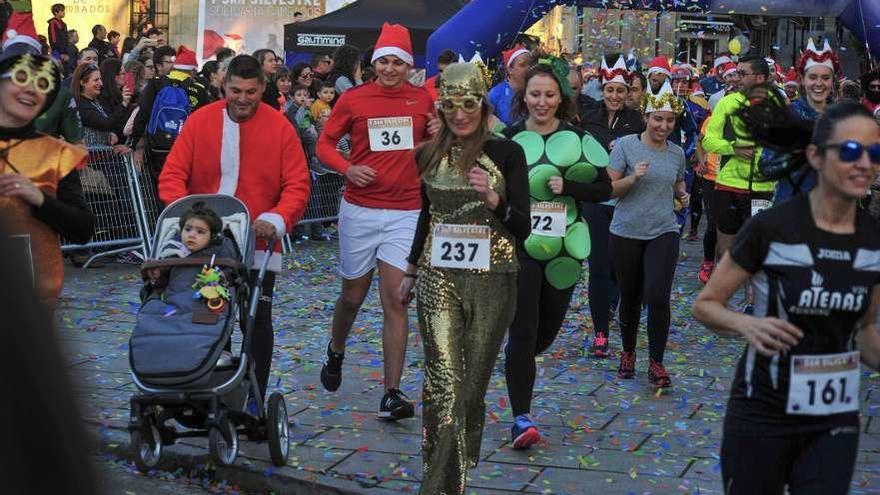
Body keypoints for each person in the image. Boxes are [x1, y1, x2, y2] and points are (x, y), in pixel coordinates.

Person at [692, 100, 880, 495]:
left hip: (834, 417)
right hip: (763, 410)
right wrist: (747, 323)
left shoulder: (873, 241)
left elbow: (863, 331)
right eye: (849, 151)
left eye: (875, 152)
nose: (864, 162)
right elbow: (706, 305)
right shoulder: (773, 228)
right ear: (816, 156)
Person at [395, 61, 529, 495]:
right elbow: (426, 216)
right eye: (450, 105)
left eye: (468, 103)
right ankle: (440, 487)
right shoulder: (428, 152)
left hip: (493, 278)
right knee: (443, 387)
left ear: (483, 104)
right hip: (439, 276)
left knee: (469, 392)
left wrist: (493, 198)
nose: (459, 113)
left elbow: (523, 227)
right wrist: (411, 270)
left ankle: (455, 461)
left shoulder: (508, 153)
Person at [158, 54, 311, 403]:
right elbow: (172, 175)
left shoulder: (280, 127)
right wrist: (186, 216)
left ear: (263, 89)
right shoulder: (199, 122)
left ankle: (254, 394)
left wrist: (278, 218)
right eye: (236, 90)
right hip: (204, 245)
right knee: (207, 314)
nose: (242, 99)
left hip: (258, 240)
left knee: (256, 319)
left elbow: (298, 184)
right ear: (223, 86)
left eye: (251, 92)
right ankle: (207, 386)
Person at [316, 22, 436, 420]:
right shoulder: (354, 99)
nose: (389, 69)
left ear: (408, 65)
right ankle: (336, 348)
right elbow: (324, 144)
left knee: (396, 298)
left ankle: (392, 392)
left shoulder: (423, 100)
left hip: (406, 211)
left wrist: (438, 135)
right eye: (383, 61)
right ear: (373, 63)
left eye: (396, 62)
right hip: (360, 209)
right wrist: (348, 169)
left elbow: (440, 145)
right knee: (353, 295)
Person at [502, 58, 613, 447]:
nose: (542, 101)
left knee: (544, 335)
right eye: (535, 94)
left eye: (550, 94)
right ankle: (521, 418)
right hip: (521, 247)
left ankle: (518, 362)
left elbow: (605, 189)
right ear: (524, 95)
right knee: (524, 329)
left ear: (560, 98)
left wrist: (570, 187)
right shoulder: (510, 139)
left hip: (565, 248)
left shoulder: (579, 140)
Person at [0, 20, 95, 306]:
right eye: (20, 77)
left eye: (42, 83)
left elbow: (82, 229)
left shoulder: (55, 154)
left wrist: (39, 198)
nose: (31, 89)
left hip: (30, 311)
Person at [608, 79, 689, 389]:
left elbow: (677, 184)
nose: (664, 125)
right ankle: (628, 353)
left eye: (669, 120)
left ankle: (656, 362)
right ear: (646, 117)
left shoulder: (677, 153)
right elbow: (610, 188)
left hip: (663, 230)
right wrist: (633, 178)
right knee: (629, 296)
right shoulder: (627, 146)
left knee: (657, 296)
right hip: (626, 230)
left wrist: (683, 195)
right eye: (658, 119)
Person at [579, 53, 644, 358]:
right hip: (595, 200)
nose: (615, 96)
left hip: (625, 203)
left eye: (620, 91)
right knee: (598, 269)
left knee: (620, 269)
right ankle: (601, 332)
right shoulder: (588, 115)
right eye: (610, 90)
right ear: (602, 90)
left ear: (627, 91)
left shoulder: (636, 121)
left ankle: (613, 304)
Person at [702, 54, 775, 314]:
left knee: (756, 249)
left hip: (763, 188)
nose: (735, 78)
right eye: (736, 73)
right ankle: (722, 297)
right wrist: (732, 148)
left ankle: (752, 302)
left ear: (761, 78)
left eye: (742, 73)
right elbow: (708, 141)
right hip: (728, 186)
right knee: (728, 251)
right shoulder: (726, 103)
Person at [773, 39, 841, 205]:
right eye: (813, 77)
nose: (819, 83)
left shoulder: (843, 118)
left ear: (832, 81)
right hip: (792, 207)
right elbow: (768, 164)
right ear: (802, 79)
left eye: (825, 78)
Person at [487, 44, 532, 126]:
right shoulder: (495, 94)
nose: (528, 68)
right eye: (523, 65)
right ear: (509, 69)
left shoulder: (536, 92)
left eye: (531, 64)